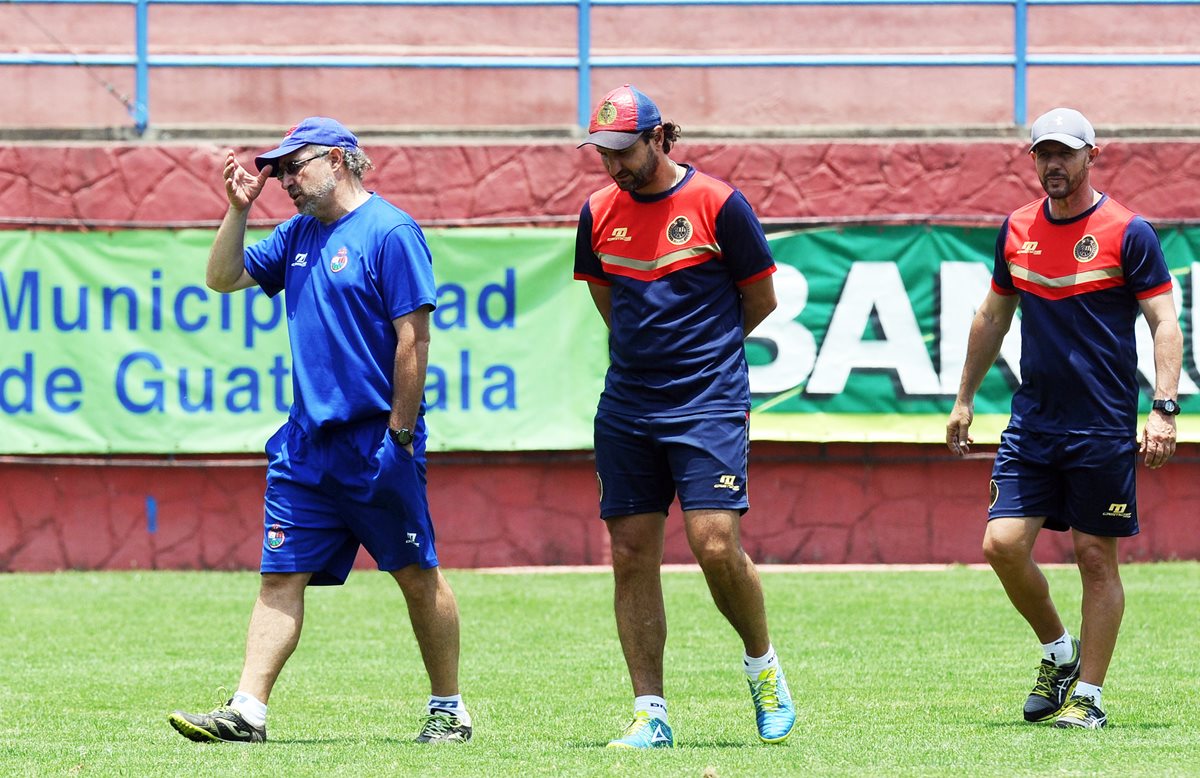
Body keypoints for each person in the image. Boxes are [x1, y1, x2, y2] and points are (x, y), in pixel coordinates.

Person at [168, 117, 472, 744]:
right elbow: (221, 278)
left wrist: (401, 436)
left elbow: (414, 339)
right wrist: (236, 211)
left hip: (376, 441)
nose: (280, 179)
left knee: (417, 574)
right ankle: (247, 711)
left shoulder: (390, 231)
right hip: (306, 445)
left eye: (292, 165)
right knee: (280, 575)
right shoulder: (295, 235)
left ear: (337, 159)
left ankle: (449, 710)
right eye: (275, 169)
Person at [573, 84, 796, 748]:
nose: (613, 164)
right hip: (628, 405)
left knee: (714, 544)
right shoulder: (594, 212)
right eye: (602, 152)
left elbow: (759, 299)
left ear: (659, 138)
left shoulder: (719, 204)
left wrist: (703, 354)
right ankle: (651, 713)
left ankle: (762, 667)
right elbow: (610, 303)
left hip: (708, 401)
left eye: (623, 150)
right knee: (631, 554)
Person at [946, 107, 1182, 730]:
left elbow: (1163, 321)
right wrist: (964, 398)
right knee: (1000, 545)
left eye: (1065, 153)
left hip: (1102, 426)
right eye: (1043, 153)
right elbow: (993, 316)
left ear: (1091, 156)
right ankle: (1058, 653)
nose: (1053, 164)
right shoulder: (1017, 228)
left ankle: (1091, 697)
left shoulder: (1130, 231)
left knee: (1094, 558)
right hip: (1034, 424)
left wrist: (1163, 407)